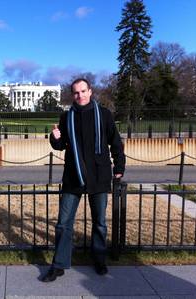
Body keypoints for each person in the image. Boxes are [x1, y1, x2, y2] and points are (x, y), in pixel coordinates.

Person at [41, 78, 125, 282]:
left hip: (99, 175)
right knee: (63, 223)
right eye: (76, 93)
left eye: (83, 91)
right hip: (73, 176)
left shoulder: (104, 115)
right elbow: (60, 146)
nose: (80, 95)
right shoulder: (66, 117)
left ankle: (99, 260)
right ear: (73, 95)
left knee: (100, 223)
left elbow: (115, 143)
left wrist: (119, 167)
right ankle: (59, 264)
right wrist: (55, 137)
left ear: (90, 91)